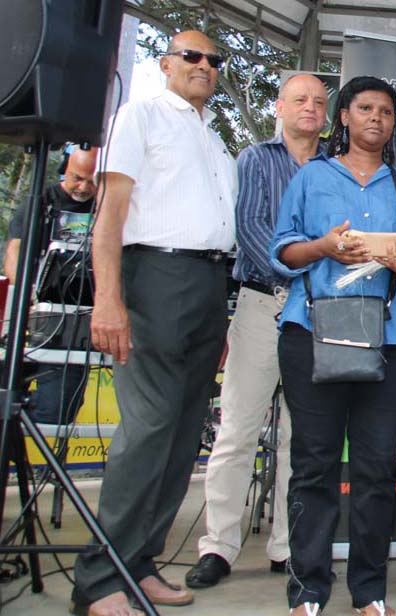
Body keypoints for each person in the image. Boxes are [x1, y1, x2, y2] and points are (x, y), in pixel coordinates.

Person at [76, 30, 236, 616]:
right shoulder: (140, 115)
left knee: (179, 435)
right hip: (154, 279)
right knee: (146, 433)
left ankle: (137, 565)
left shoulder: (214, 139)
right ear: (165, 63)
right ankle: (98, 579)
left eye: (213, 60)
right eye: (191, 56)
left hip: (208, 283)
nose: (204, 66)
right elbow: (110, 216)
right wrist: (109, 299)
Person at [271, 75, 396, 616]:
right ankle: (309, 589)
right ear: (344, 117)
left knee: (376, 469)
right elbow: (282, 253)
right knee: (314, 464)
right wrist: (323, 246)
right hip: (312, 333)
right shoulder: (312, 177)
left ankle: (369, 590)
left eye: (386, 112)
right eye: (365, 108)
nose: (376, 119)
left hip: (393, 340)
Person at [185, 73, 329, 590]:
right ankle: (219, 546)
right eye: (299, 99)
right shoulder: (254, 158)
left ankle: (288, 547)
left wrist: (317, 278)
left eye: (318, 100)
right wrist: (306, 268)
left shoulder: (333, 165)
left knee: (302, 437)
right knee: (237, 430)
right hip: (262, 303)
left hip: (319, 313)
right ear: (279, 106)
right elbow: (250, 230)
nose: (309, 108)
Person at [4, 146, 99, 426]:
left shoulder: (108, 206)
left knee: (59, 410)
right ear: (64, 169)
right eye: (76, 178)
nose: (83, 187)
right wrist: (24, 293)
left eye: (92, 181)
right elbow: (15, 250)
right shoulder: (42, 200)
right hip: (36, 312)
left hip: (78, 320)